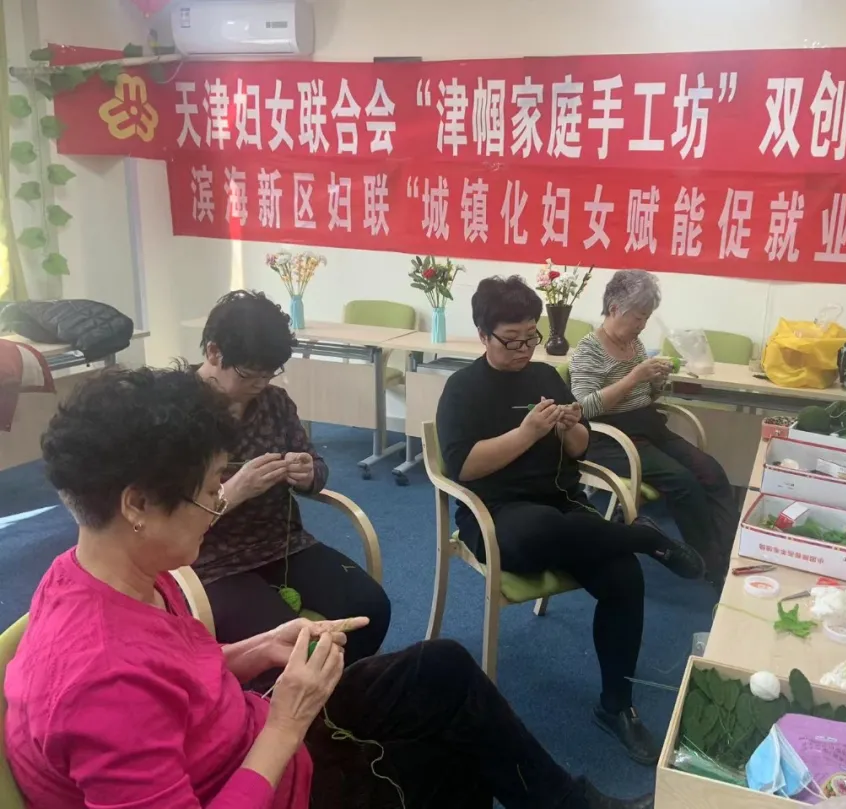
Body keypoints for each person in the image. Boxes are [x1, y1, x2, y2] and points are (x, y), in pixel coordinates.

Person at [3, 367, 652, 809]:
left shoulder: (102, 571)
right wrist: (287, 720)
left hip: (250, 735)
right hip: (265, 770)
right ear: (138, 504)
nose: (218, 505)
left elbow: (172, 676)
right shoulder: (101, 685)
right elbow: (140, 694)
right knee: (449, 768)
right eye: (209, 492)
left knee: (442, 668)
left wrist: (252, 651)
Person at [436, 275, 704, 767]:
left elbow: (579, 450)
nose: (524, 349)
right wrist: (526, 433)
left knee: (624, 577)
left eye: (530, 337)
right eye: (511, 340)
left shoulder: (544, 376)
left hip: (561, 504)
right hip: (497, 511)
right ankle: (640, 536)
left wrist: (568, 428)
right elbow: (464, 467)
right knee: (541, 530)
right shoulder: (463, 388)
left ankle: (616, 706)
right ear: (483, 335)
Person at [195, 290, 390, 668]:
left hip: (283, 544)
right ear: (214, 353)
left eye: (270, 373)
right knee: (291, 647)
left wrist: (307, 472)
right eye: (251, 373)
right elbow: (163, 513)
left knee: (369, 608)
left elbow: (316, 465)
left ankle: (341, 691)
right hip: (210, 563)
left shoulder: (275, 403)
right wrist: (232, 492)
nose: (261, 383)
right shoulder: (178, 410)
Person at [569, 270, 738, 587]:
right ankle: (712, 566)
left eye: (646, 317)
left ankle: (733, 553)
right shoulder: (588, 349)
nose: (642, 325)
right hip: (610, 437)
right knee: (683, 481)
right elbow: (584, 407)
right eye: (638, 317)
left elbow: (643, 396)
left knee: (711, 471)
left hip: (647, 425)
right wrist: (635, 377)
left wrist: (656, 382)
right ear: (615, 309)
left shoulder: (634, 344)